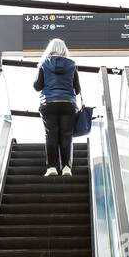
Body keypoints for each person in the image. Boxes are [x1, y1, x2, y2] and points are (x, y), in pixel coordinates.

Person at [33, 38, 81, 177]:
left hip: (49, 103)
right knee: (66, 135)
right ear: (64, 49)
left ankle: (52, 167)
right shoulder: (72, 65)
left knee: (51, 134)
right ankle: (66, 167)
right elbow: (77, 89)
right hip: (68, 103)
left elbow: (37, 86)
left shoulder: (44, 64)